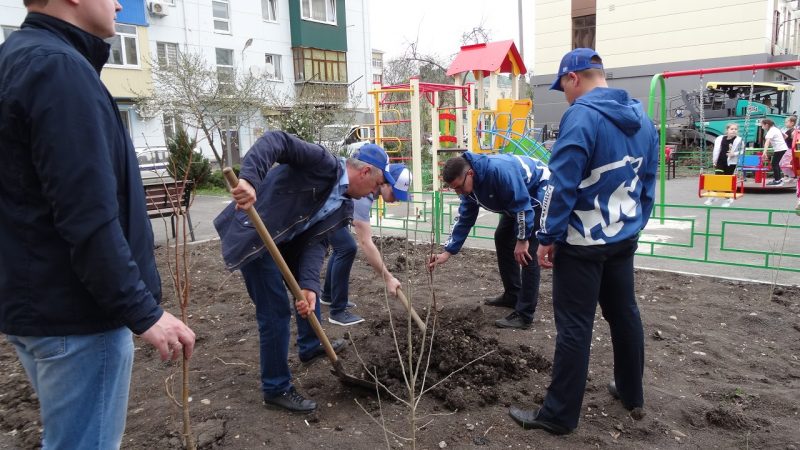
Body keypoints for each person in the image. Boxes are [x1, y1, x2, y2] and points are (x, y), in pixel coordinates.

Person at [0, 1, 196, 448]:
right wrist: (144, 311)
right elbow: (86, 213)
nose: (120, 3)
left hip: (38, 307)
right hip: (78, 315)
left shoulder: (18, 58)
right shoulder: (59, 71)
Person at [508, 48, 658, 435]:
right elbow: (649, 180)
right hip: (622, 236)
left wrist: (548, 237)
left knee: (575, 326)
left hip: (582, 242)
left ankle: (558, 416)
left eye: (563, 87)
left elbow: (560, 184)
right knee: (624, 313)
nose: (565, 96)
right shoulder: (642, 118)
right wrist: (637, 223)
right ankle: (631, 392)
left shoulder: (581, 116)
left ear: (575, 78)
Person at [214, 137, 392, 413]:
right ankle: (276, 388)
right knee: (275, 312)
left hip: (287, 244)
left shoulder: (343, 205)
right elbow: (276, 141)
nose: (376, 192)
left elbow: (316, 243)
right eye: (378, 185)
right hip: (257, 235)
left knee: (312, 295)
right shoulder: (321, 162)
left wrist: (308, 285)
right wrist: (249, 180)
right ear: (365, 171)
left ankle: (310, 345)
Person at [428, 152, 550, 330]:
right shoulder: (469, 186)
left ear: (470, 174)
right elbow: (465, 217)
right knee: (502, 237)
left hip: (538, 193)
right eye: (454, 189)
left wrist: (522, 239)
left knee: (527, 253)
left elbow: (523, 206)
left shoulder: (498, 172)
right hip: (516, 203)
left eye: (459, 187)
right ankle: (513, 295)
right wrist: (447, 252)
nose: (459, 192)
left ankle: (524, 315)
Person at [321, 164, 413, 326]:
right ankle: (338, 311)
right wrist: (388, 278)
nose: (397, 199)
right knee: (347, 247)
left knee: (342, 247)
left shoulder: (371, 190)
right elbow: (365, 241)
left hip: (328, 210)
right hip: (321, 211)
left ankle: (328, 295)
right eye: (396, 193)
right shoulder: (364, 196)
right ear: (385, 183)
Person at [705, 123, 744, 206]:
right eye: (732, 129)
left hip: (731, 162)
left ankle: (728, 199)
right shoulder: (720, 138)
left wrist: (734, 153)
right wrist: (714, 160)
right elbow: (716, 149)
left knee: (727, 180)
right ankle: (713, 196)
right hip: (720, 160)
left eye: (735, 129)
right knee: (718, 177)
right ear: (727, 130)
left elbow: (742, 151)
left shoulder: (739, 140)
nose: (734, 131)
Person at [760, 118, 789, 186]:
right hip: (782, 148)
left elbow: (767, 142)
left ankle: (777, 180)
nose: (762, 127)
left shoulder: (771, 131)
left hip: (780, 149)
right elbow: (786, 136)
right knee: (776, 163)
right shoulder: (776, 129)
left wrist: (764, 152)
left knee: (774, 164)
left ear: (766, 125)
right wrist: (779, 141)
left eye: (762, 126)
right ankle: (778, 179)